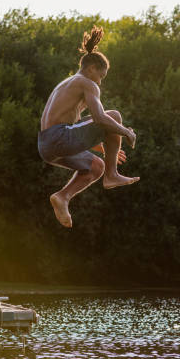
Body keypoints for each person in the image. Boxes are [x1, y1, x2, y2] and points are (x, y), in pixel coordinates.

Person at [38, 25, 139, 228]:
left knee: (96, 166)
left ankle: (62, 197)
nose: (100, 83)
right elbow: (100, 118)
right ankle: (112, 175)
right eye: (101, 76)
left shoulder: (67, 84)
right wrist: (126, 132)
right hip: (58, 137)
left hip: (47, 146)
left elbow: (75, 127)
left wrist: (103, 147)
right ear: (91, 69)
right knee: (114, 116)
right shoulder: (86, 83)